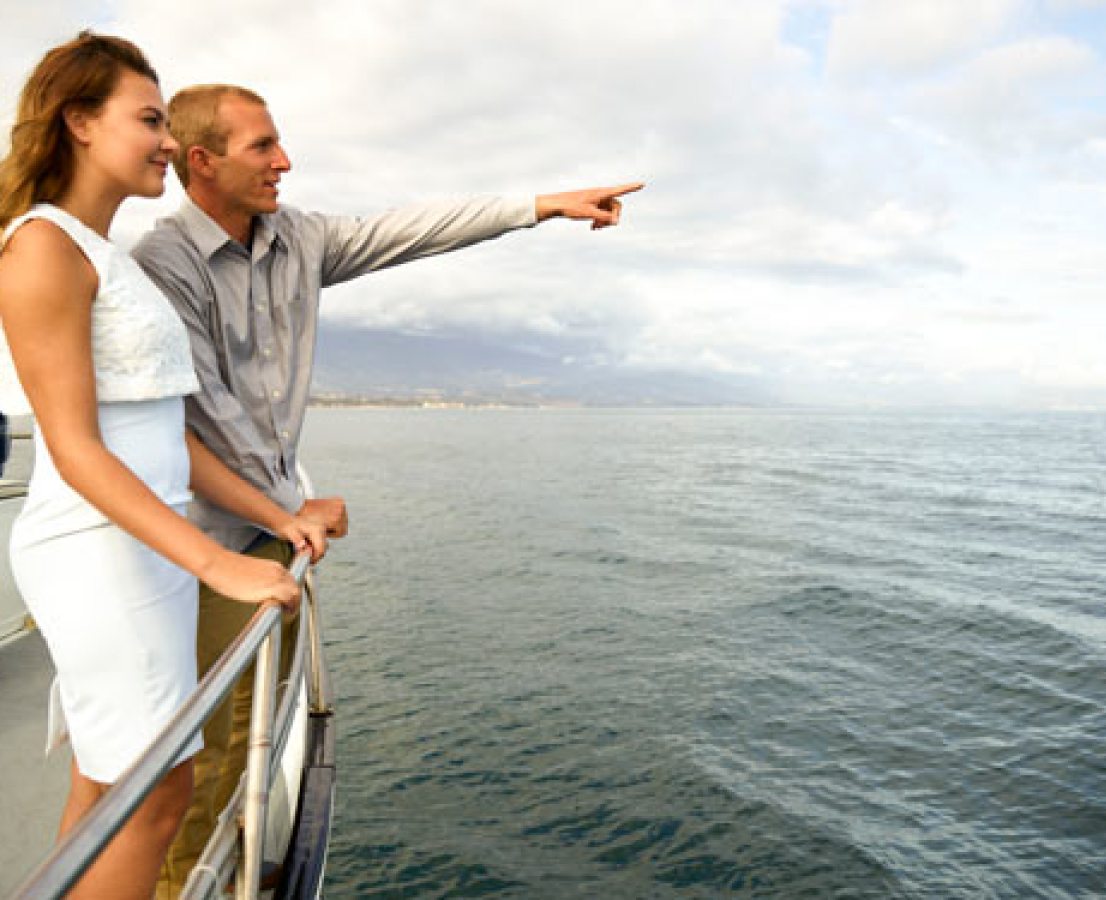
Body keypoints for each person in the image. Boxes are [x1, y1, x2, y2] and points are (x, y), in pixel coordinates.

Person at [132, 82, 640, 894]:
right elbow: (203, 419)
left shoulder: (297, 238)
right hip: (201, 542)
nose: (284, 161)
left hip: (273, 532)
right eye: (262, 146)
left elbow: (405, 231)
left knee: (244, 735)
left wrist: (540, 205)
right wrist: (286, 510)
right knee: (205, 754)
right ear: (202, 161)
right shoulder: (165, 263)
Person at [0, 34, 329, 899]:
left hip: (148, 550)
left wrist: (272, 514)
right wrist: (219, 562)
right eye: (147, 119)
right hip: (98, 552)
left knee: (107, 785)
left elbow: (167, 438)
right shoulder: (41, 247)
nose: (164, 141)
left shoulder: (110, 254)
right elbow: (75, 450)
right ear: (78, 122)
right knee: (157, 793)